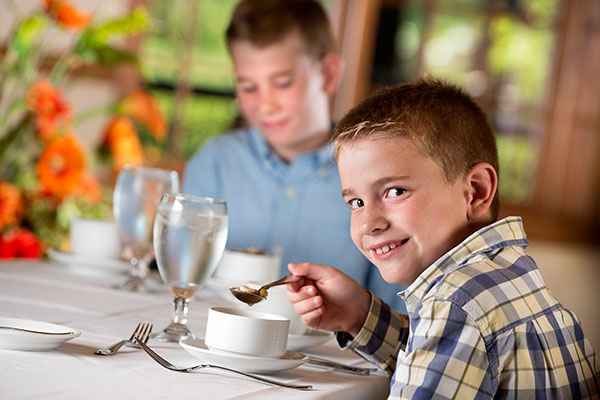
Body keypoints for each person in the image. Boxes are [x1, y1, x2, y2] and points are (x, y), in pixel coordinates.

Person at [287, 78, 600, 398]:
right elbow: (446, 363)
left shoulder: (456, 301)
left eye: (395, 191)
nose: (368, 223)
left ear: (476, 191)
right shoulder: (504, 274)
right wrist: (358, 314)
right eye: (356, 203)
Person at [183, 0, 406, 312]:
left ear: (328, 75)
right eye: (248, 86)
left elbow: (398, 312)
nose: (266, 104)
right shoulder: (215, 163)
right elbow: (183, 276)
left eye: (283, 82)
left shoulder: (375, 178)